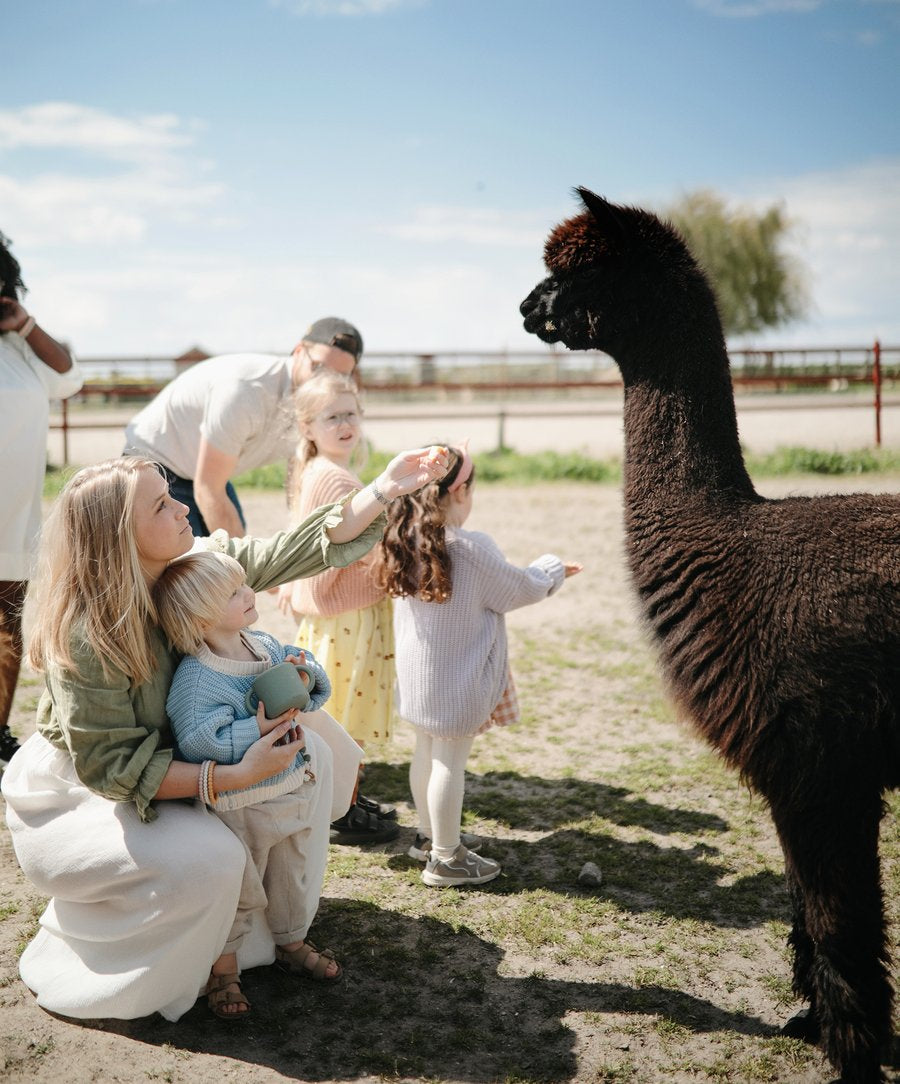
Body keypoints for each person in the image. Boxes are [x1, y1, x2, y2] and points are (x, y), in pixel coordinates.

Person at [0, 445, 448, 1024]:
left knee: (318, 745)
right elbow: (112, 767)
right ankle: (175, 956)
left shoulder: (192, 565)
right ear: (121, 540)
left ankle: (270, 932)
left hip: (200, 746)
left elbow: (293, 549)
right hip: (89, 793)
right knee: (215, 858)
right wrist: (232, 775)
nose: (183, 508)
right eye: (162, 505)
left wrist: (386, 487)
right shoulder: (89, 635)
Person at [154, 550, 366, 1014]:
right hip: (242, 806)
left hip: (290, 789)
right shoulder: (197, 681)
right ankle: (223, 972)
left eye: (244, 584)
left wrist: (305, 674)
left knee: (292, 874)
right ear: (200, 614)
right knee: (242, 889)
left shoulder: (264, 645)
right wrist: (260, 727)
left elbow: (308, 694)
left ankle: (291, 945)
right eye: (234, 592)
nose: (250, 593)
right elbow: (200, 742)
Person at [373, 444, 582, 887]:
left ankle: (428, 837)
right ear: (461, 490)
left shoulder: (402, 540)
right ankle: (446, 859)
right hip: (457, 683)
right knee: (450, 762)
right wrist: (551, 568)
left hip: (417, 681)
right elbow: (519, 589)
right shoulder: (469, 547)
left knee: (426, 752)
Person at [278, 370, 399, 845]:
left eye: (351, 413)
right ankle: (340, 807)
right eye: (333, 416)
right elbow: (362, 550)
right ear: (308, 426)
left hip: (332, 613)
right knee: (347, 710)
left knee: (335, 707)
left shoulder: (317, 471)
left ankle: (343, 796)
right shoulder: (337, 480)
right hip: (346, 615)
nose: (345, 423)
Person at [123, 316, 364, 536]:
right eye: (318, 368)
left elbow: (298, 477)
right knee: (189, 564)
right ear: (299, 351)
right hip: (155, 463)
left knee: (230, 547)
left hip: (205, 469)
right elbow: (209, 489)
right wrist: (243, 574)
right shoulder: (247, 391)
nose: (323, 381)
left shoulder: (317, 403)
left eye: (338, 376)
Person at [0, 231, 83, 770]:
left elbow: (70, 380)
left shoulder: (19, 350)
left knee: (6, 628)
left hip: (14, 519)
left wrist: (24, 325)